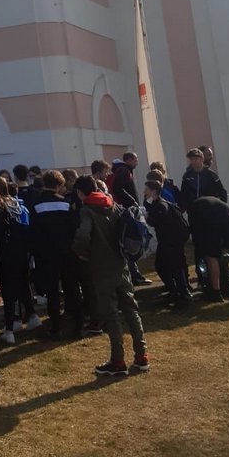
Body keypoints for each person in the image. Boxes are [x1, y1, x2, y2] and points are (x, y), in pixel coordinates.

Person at [72, 176, 149, 377]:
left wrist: (80, 252)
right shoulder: (112, 204)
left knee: (111, 314)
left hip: (102, 268)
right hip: (121, 264)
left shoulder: (87, 210)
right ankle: (141, 355)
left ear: (80, 193)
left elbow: (83, 235)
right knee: (131, 309)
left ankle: (118, 360)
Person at [31, 170, 84, 340]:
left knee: (52, 291)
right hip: (67, 252)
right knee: (72, 288)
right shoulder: (66, 204)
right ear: (59, 185)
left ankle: (55, 327)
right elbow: (74, 228)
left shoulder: (36, 204)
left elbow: (34, 232)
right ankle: (78, 325)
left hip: (46, 254)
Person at [0, 180, 41, 344]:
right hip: (24, 250)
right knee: (23, 283)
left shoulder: (1, 207)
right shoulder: (18, 204)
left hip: (10, 251)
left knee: (10, 289)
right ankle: (32, 315)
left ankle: (15, 319)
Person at [186, 196, 229, 302]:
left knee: (211, 256)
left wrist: (202, 249)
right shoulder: (212, 201)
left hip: (211, 221)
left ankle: (216, 292)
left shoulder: (193, 210)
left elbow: (196, 235)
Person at [142, 181, 191, 301]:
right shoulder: (159, 203)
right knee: (167, 265)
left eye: (146, 189)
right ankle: (178, 291)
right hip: (170, 239)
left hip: (170, 239)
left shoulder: (161, 205)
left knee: (170, 266)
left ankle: (182, 293)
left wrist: (147, 217)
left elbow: (159, 220)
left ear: (153, 191)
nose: (144, 192)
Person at [110, 152, 151, 287]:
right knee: (133, 242)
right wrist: (132, 202)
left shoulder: (120, 170)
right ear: (129, 160)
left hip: (125, 210)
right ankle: (135, 276)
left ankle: (134, 275)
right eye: (135, 159)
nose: (137, 162)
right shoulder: (124, 171)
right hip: (128, 212)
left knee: (128, 243)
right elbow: (118, 188)